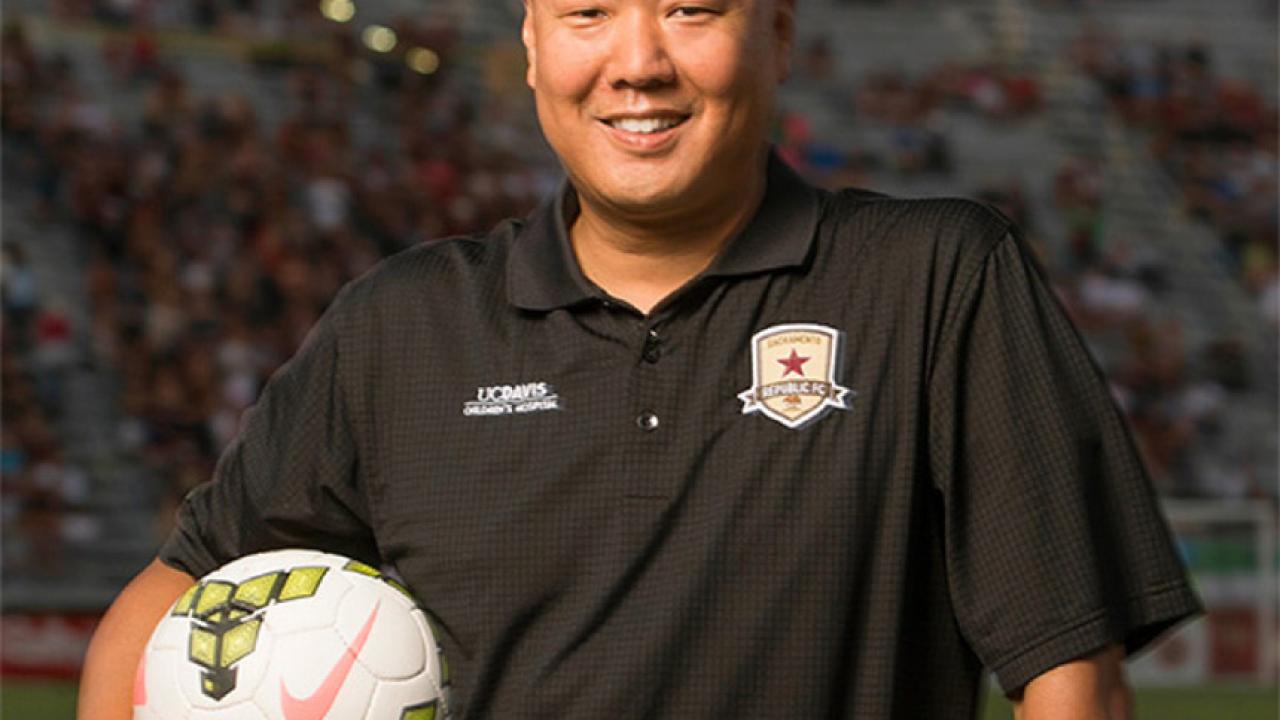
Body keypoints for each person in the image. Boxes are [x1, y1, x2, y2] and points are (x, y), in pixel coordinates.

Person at [79, 1, 1200, 717]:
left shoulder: (932, 279)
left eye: (690, 9)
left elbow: (1070, 675)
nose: (637, 64)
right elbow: (173, 598)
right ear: (531, 46)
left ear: (778, 34)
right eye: (587, 13)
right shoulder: (402, 324)